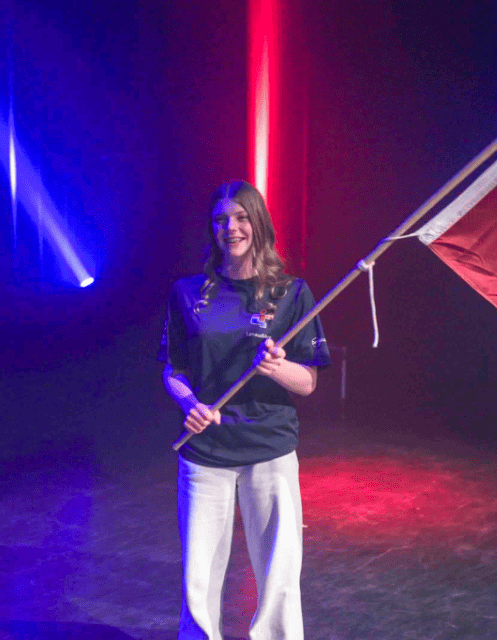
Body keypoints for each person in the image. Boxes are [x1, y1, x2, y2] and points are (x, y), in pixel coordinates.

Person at [158, 180, 331, 640]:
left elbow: (309, 382)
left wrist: (277, 368)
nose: (230, 227)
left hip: (268, 448)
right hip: (205, 452)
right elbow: (172, 369)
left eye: (239, 217)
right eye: (220, 219)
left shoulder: (291, 294)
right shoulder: (187, 292)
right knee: (199, 575)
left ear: (258, 224)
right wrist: (190, 404)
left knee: (278, 574)